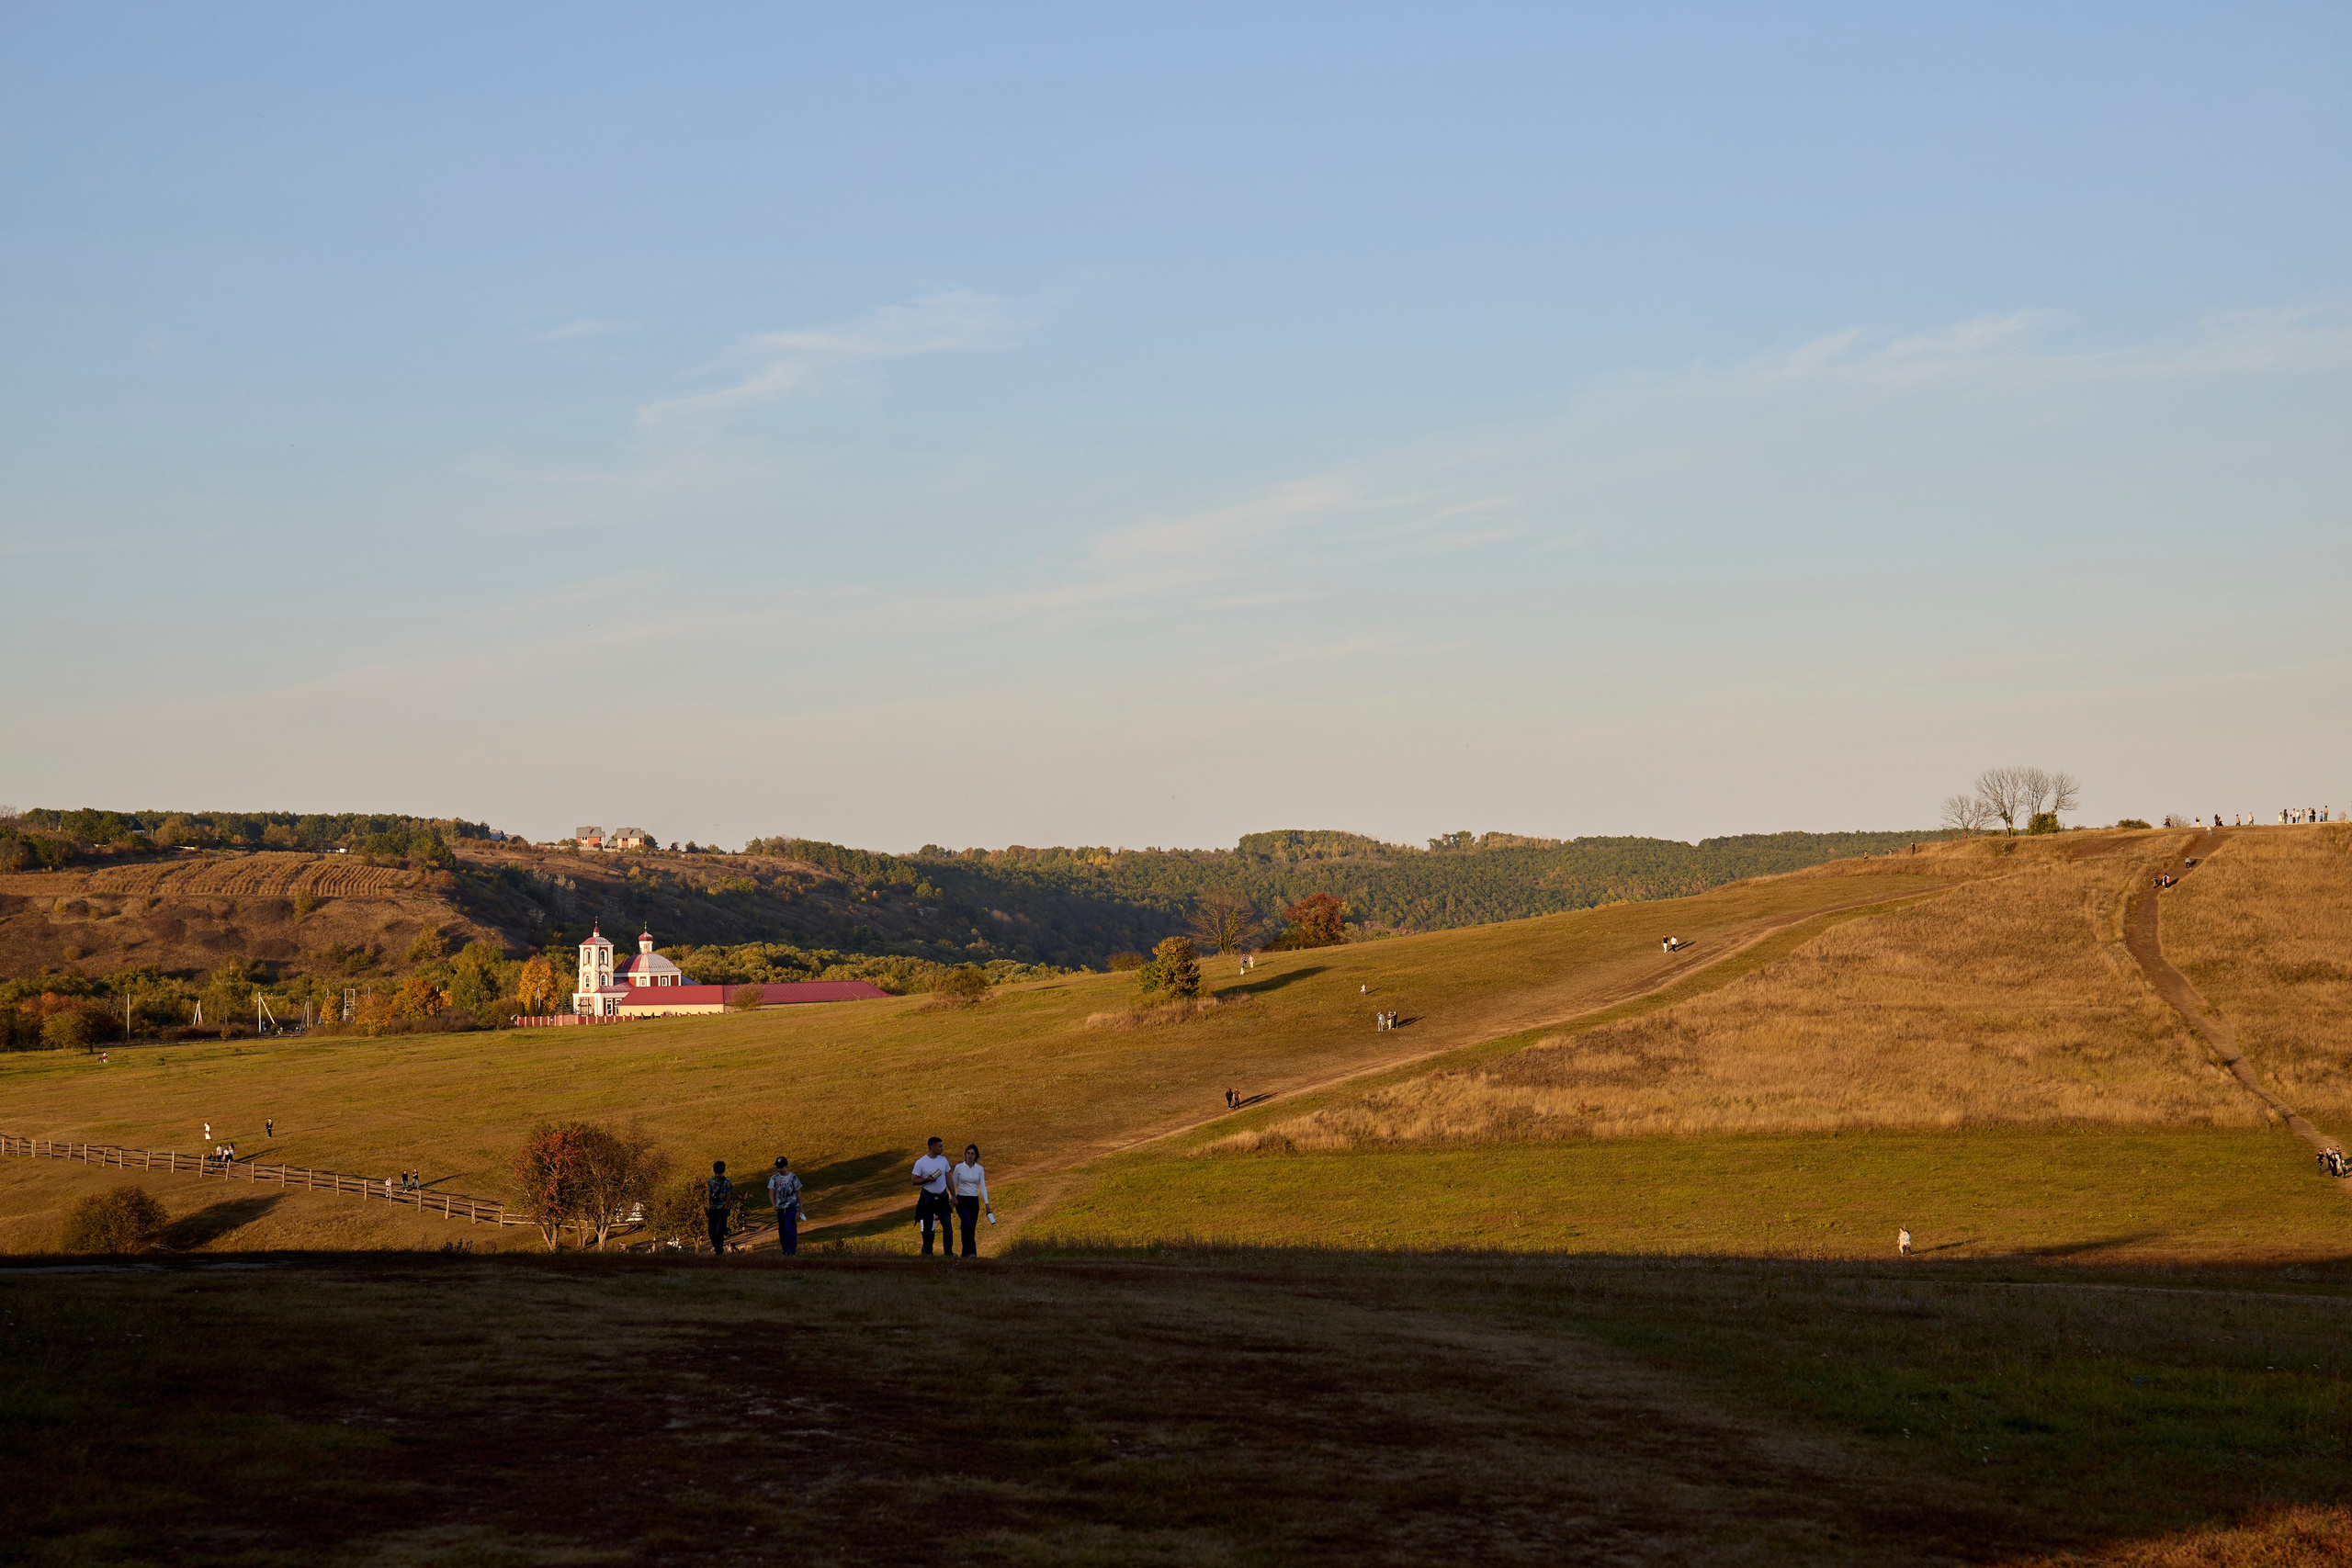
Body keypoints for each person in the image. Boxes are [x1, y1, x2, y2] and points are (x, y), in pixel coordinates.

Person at [910, 1137, 953, 1257]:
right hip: (928, 1197)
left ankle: (948, 1252)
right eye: (940, 1146)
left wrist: (953, 1195)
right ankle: (928, 1252)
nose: (942, 1148)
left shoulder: (943, 1160)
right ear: (932, 1147)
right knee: (928, 1226)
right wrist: (927, 1179)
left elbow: (948, 1178)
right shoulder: (921, 1162)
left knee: (947, 1225)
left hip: (942, 1196)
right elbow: (914, 1180)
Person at [951, 1144, 993, 1258]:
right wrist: (953, 1197)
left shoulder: (979, 1169)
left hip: (974, 1201)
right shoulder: (959, 1167)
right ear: (965, 1155)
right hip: (961, 1200)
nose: (970, 1155)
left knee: (971, 1227)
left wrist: (986, 1203)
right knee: (967, 1224)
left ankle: (966, 1253)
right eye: (968, 1153)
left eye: (972, 1154)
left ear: (976, 1156)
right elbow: (953, 1183)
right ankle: (972, 1252)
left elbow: (983, 1186)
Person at [768, 1156, 804, 1257]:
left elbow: (798, 1193)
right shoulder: (774, 1178)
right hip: (780, 1207)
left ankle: (791, 1249)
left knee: (789, 1226)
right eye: (778, 1167)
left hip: (791, 1206)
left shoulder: (793, 1177)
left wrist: (801, 1209)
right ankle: (785, 1249)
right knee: (782, 1228)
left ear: (786, 1166)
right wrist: (773, 1204)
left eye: (781, 1167)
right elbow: (771, 1192)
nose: (780, 1170)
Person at [705, 1160, 735, 1256]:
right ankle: (717, 1249)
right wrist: (710, 1207)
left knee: (719, 1231)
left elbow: (729, 1196)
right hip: (714, 1209)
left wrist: (725, 1208)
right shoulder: (711, 1181)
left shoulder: (726, 1182)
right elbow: (709, 1195)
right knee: (711, 1231)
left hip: (722, 1209)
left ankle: (719, 1250)